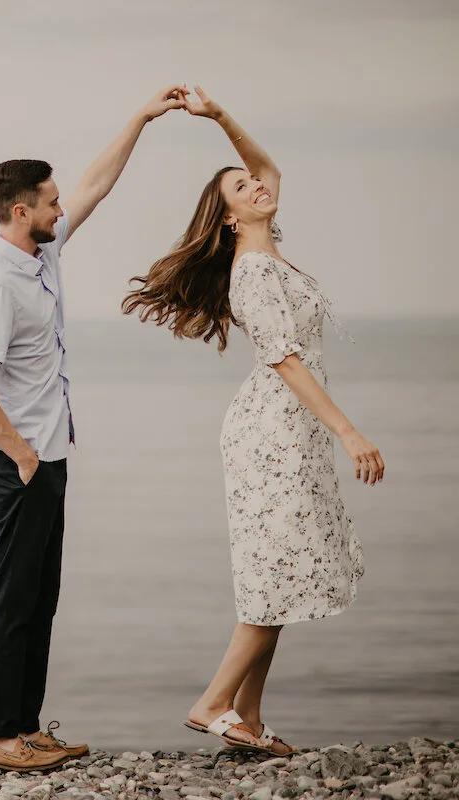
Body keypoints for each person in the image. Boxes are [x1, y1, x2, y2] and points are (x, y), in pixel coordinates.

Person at [121, 86, 384, 755]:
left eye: (253, 182)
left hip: (285, 430)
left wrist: (219, 118)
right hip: (273, 432)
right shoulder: (255, 271)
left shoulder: (265, 247)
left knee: (280, 572)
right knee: (273, 576)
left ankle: (248, 718)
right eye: (241, 188)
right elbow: (287, 360)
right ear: (231, 217)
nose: (258, 186)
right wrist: (348, 430)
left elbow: (271, 170)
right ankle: (213, 703)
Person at [0, 85, 188, 772]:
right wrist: (22, 455)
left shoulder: (42, 253)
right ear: (21, 211)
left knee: (40, 600)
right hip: (18, 459)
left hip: (46, 454)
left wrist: (141, 118)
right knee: (13, 601)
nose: (63, 208)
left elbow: (95, 184)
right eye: (50, 203)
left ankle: (25, 727)